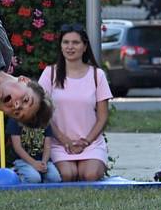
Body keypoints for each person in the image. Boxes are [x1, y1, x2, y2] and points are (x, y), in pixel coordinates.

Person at [38, 24, 113, 181]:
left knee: (90, 175)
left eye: (75, 42)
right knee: (67, 174)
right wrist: (64, 140)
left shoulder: (97, 75)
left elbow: (103, 117)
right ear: (61, 46)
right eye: (66, 42)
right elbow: (43, 115)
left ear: (84, 46)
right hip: (58, 143)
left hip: (90, 143)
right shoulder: (49, 73)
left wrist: (86, 141)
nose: (70, 47)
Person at [7, 117, 61, 184]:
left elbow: (47, 146)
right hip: (22, 160)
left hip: (42, 160)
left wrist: (44, 162)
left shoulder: (44, 120)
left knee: (55, 178)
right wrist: (34, 163)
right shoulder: (15, 120)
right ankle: (17, 174)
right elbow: (17, 147)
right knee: (34, 178)